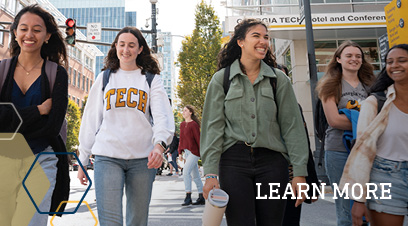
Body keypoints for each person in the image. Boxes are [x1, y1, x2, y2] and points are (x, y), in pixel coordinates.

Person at [200, 18, 309, 226]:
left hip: (272, 164)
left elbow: (292, 128)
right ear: (240, 42)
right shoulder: (221, 80)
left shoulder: (279, 80)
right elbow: (213, 129)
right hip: (233, 163)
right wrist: (211, 173)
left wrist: (299, 174)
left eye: (266, 37)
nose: (263, 41)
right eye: (256, 36)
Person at [77, 26, 174, 226]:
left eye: (131, 45)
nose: (126, 50)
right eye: (122, 45)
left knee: (137, 220)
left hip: (142, 160)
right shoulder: (104, 78)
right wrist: (83, 159)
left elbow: (162, 116)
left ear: (140, 49)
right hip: (107, 157)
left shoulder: (151, 80)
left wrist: (159, 145)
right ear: (115, 47)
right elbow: (90, 120)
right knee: (110, 221)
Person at [0, 4, 69, 226]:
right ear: (15, 32)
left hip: (41, 159)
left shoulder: (56, 74)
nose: (29, 35)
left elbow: (51, 127)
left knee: (29, 223)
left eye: (37, 30)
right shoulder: (1, 71)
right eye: (23, 28)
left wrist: (10, 120)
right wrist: (37, 111)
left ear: (47, 35)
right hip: (3, 161)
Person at [340, 44, 408, 226]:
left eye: (402, 60)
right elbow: (362, 152)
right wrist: (359, 199)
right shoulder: (375, 102)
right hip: (386, 177)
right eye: (390, 62)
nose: (395, 65)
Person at [315, 40, 375, 226]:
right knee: (345, 210)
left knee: (370, 206)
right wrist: (366, 122)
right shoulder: (329, 85)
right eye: (349, 55)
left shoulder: (371, 85)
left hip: (367, 152)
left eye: (358, 56)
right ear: (339, 59)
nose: (354, 59)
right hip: (338, 151)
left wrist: (356, 121)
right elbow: (334, 120)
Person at [178, 105, 205, 206]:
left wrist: (202, 152)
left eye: (185, 110)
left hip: (194, 152)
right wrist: (180, 152)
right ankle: (201, 196)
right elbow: (181, 140)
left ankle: (188, 196)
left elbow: (198, 139)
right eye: (183, 111)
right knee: (196, 176)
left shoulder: (194, 125)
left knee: (185, 172)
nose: (183, 112)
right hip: (186, 152)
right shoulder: (182, 125)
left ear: (190, 113)